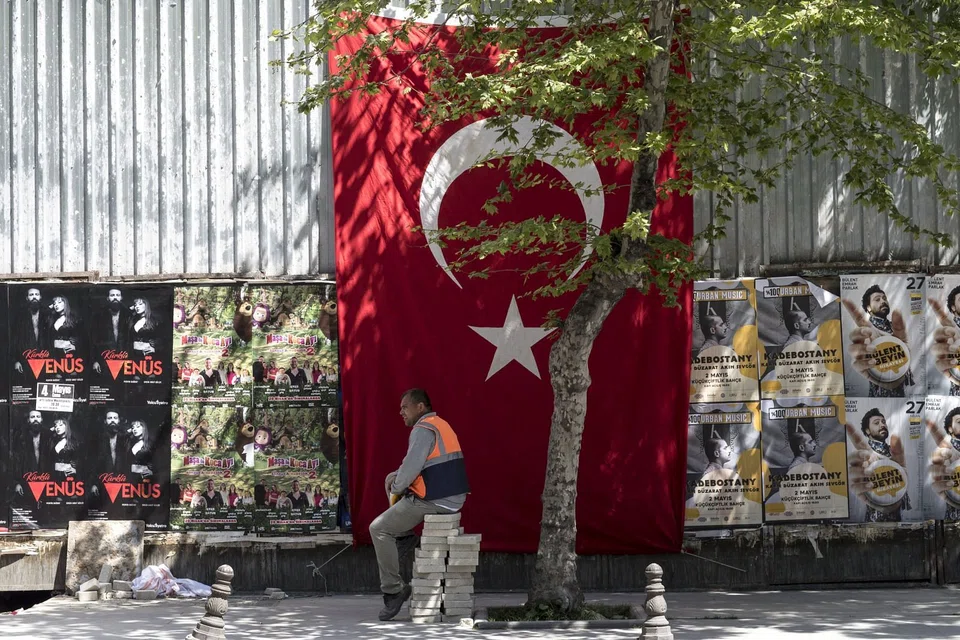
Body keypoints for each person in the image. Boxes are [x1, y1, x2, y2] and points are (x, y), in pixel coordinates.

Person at [369, 389, 469, 621]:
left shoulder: (422, 429)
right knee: (394, 479)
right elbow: (413, 464)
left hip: (435, 499)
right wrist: (398, 479)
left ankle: (393, 591)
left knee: (378, 528)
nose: (401, 412)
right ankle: (403, 535)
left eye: (405, 407)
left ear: (420, 407)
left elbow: (410, 469)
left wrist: (397, 486)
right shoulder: (439, 424)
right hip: (451, 496)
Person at [842, 285, 914, 397]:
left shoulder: (895, 326)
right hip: (880, 393)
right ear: (869, 308)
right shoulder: (866, 332)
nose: (883, 301)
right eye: (877, 299)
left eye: (884, 298)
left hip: (900, 391)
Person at [848, 408, 909, 522]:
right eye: (876, 423)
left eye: (883, 422)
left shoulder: (893, 452)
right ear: (867, 431)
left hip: (898, 517)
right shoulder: (864, 456)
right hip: (874, 518)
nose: (882, 425)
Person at [11, 410, 55, 503]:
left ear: (42, 419)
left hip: (47, 479)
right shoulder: (21, 437)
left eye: (38, 417)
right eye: (32, 417)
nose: (35, 419)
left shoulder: (49, 436)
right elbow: (16, 461)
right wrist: (17, 482)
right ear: (28, 420)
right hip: (27, 479)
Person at [92, 288, 131, 376]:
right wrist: (95, 360)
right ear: (108, 298)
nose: (115, 298)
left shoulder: (128, 315)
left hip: (125, 359)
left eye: (118, 295)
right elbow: (93, 339)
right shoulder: (99, 316)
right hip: (104, 359)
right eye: (112, 295)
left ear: (121, 298)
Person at [13, 287, 48, 375]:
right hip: (25, 358)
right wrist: (16, 360)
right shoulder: (20, 316)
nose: (34, 297)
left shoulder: (47, 314)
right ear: (27, 298)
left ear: (40, 297)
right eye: (31, 295)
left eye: (37, 294)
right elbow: (15, 339)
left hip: (45, 357)